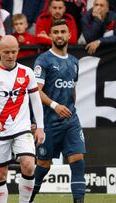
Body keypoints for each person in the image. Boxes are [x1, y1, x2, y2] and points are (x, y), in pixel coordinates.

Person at [0, 35, 45, 203]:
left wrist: (40, 127)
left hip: (22, 127)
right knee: (0, 174)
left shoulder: (27, 72)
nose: (10, 56)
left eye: (14, 52)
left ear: (18, 51)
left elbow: (36, 101)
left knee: (29, 164)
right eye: (7, 52)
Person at [29, 19, 86, 203]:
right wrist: (55, 106)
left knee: (77, 159)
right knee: (44, 165)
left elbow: (72, 89)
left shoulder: (74, 62)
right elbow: (36, 91)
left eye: (63, 31)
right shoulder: (43, 60)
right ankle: (27, 199)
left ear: (69, 35)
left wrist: (70, 108)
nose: (59, 35)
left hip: (70, 120)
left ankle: (78, 200)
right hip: (49, 122)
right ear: (51, 35)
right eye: (56, 32)